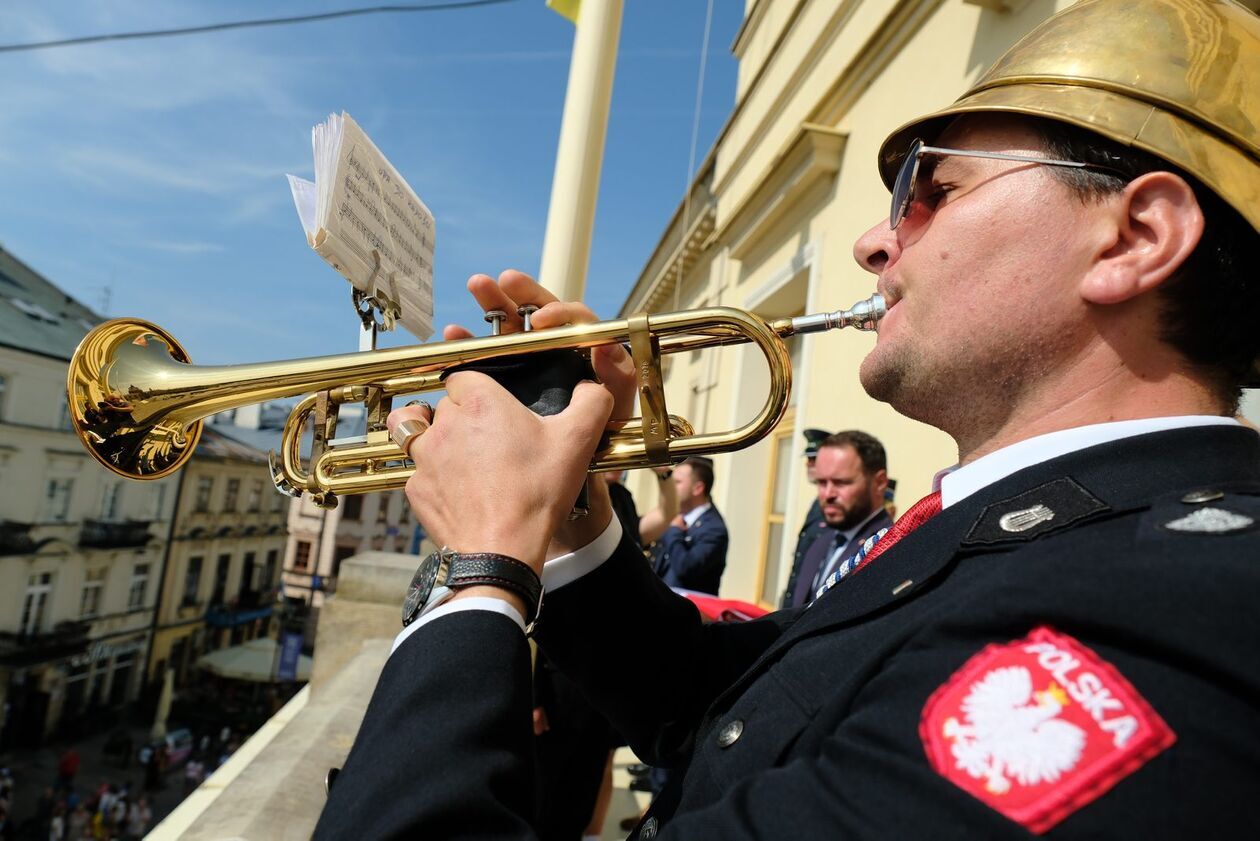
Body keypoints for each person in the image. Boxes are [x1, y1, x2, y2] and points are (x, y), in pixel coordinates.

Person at [315, 0, 1260, 837]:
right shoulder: (1034, 528)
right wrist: (569, 510)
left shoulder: (1175, 613)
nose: (875, 237)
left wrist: (483, 567)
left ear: (1135, 237)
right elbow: (723, 705)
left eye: (933, 189)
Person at [783, 431, 893, 607]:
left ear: (879, 483)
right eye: (821, 482)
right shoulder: (822, 540)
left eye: (841, 482)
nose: (827, 494)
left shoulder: (887, 551)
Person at [649, 458, 728, 595]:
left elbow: (685, 568)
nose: (671, 487)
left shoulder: (714, 529)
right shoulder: (674, 517)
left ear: (697, 488)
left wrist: (674, 531)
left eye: (677, 482)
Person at [780, 428, 831, 607]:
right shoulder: (817, 502)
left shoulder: (835, 506)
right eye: (808, 459)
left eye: (814, 458)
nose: (808, 464)